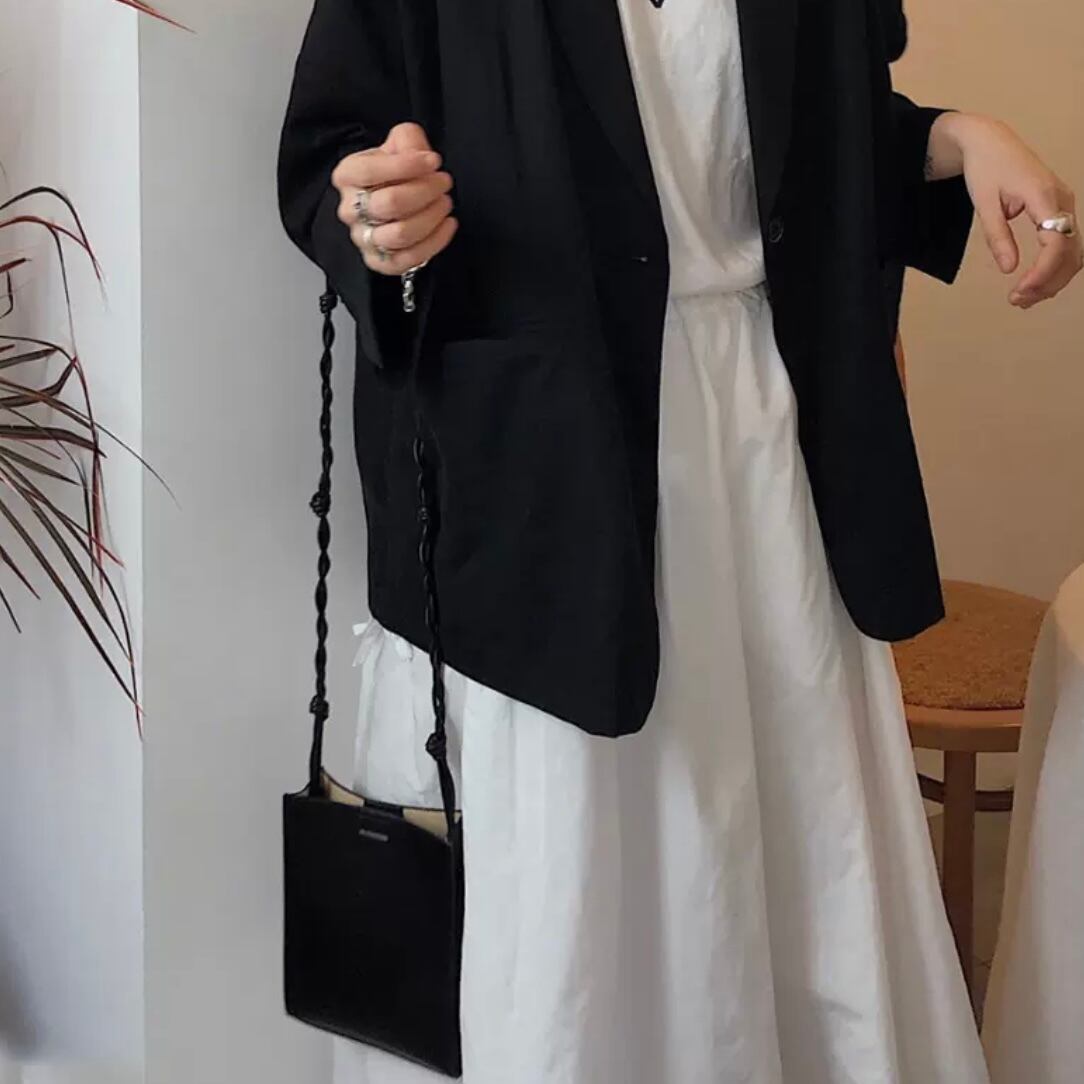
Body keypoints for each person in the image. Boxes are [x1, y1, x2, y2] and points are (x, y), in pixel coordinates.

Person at [278, 0, 1081, 1080]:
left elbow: (811, 149)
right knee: (584, 860)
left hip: (769, 460)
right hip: (542, 466)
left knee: (801, 856)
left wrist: (960, 139)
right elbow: (324, 155)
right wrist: (374, 219)